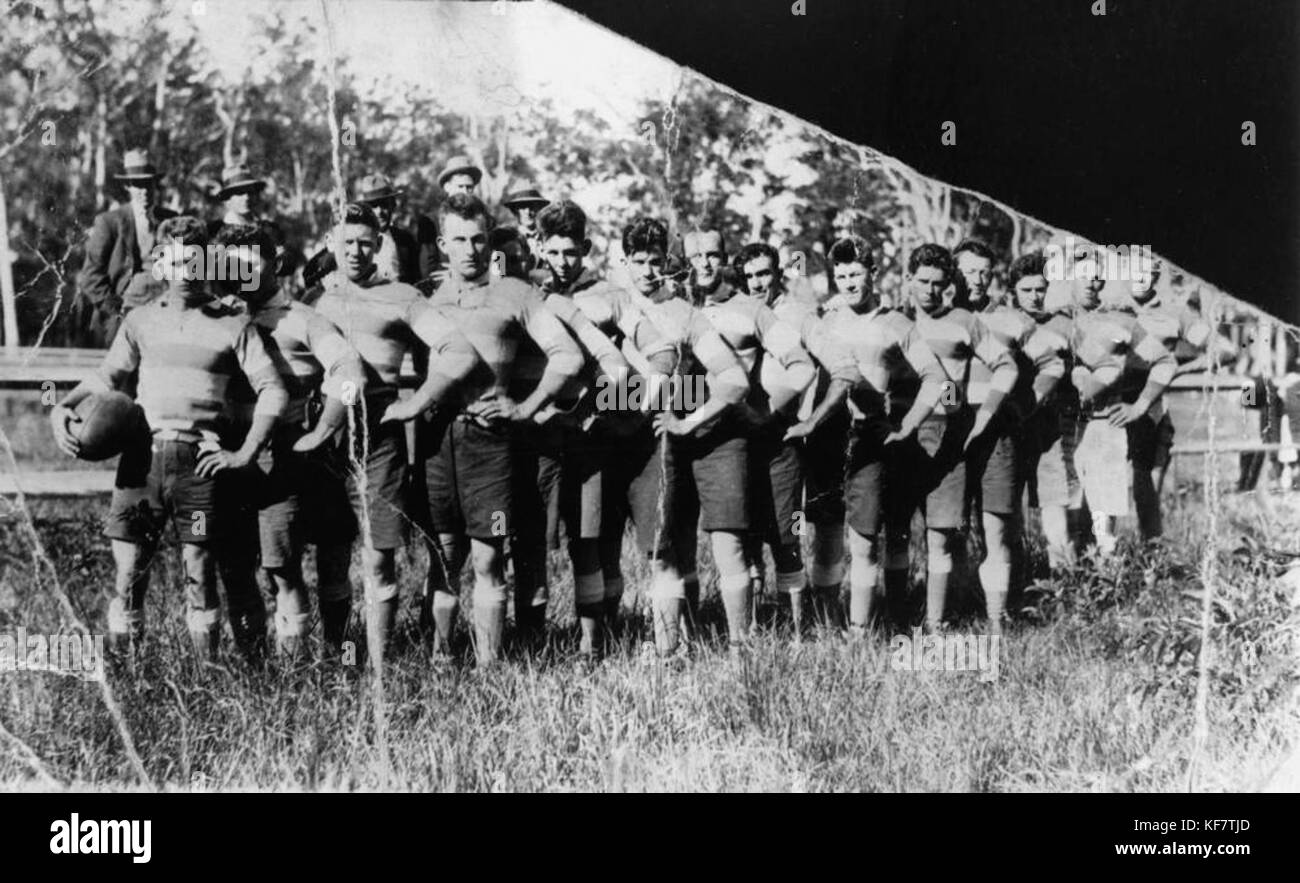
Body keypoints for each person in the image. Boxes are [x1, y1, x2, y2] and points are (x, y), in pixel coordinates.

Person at [51, 216, 289, 660]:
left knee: (198, 568)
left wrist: (243, 453)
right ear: (159, 264)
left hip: (197, 464)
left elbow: (273, 388)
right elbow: (108, 375)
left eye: (192, 260)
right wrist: (64, 406)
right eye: (173, 261)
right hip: (142, 461)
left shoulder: (232, 322)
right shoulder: (140, 320)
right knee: (129, 572)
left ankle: (206, 680)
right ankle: (127, 675)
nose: (184, 271)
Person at [314, 203, 483, 672]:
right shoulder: (317, 299)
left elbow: (457, 348)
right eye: (347, 241)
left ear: (379, 244)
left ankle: (379, 665)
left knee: (378, 558)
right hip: (327, 436)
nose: (356, 250)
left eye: (366, 242)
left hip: (379, 436)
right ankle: (338, 657)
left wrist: (416, 401)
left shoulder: (402, 296)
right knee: (331, 556)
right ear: (331, 242)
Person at [421, 194, 585, 666]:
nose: (469, 249)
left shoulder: (515, 292)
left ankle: (490, 665)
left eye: (478, 239)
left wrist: (525, 406)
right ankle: (440, 659)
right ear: (441, 244)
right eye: (458, 240)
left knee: (489, 554)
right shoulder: (426, 295)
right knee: (443, 553)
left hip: (489, 440)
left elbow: (567, 356)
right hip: (436, 438)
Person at [210, 223, 368, 659]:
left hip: (300, 455)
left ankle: (336, 656)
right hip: (240, 457)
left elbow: (351, 371)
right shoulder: (219, 319)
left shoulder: (302, 319)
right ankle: (272, 666)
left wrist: (326, 428)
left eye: (251, 260)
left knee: (315, 562)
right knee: (257, 565)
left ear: (274, 263)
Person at [526, 199, 675, 654]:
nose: (562, 262)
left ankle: (594, 648)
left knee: (590, 542)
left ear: (586, 248)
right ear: (538, 247)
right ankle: (530, 645)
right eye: (553, 252)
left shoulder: (609, 295)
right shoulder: (522, 289)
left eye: (571, 252)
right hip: (538, 437)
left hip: (591, 438)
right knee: (532, 543)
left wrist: (632, 405)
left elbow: (662, 351)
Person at [619, 219, 754, 656]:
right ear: (624, 263)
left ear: (666, 263)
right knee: (654, 549)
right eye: (637, 262)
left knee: (685, 547)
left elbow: (734, 381)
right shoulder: (609, 304)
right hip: (623, 439)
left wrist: (685, 419)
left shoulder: (684, 313)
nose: (646, 271)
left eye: (655, 262)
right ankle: (664, 647)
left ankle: (708, 650)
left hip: (673, 439)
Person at [821, 236, 947, 634]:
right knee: (823, 534)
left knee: (866, 539)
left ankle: (866, 631)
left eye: (856, 273)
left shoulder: (896, 322)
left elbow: (937, 378)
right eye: (841, 276)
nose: (849, 283)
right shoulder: (827, 318)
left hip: (873, 437)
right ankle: (823, 626)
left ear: (873, 273)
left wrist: (907, 425)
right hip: (828, 437)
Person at [903, 244, 1019, 633]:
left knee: (946, 534)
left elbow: (1005, 366)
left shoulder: (964, 320)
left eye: (939, 283)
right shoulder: (897, 322)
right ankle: (904, 616)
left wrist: (981, 416)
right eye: (923, 282)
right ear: (908, 281)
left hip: (950, 432)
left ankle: (959, 624)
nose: (931, 291)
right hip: (902, 434)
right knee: (902, 533)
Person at [715, 239, 820, 628]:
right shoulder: (735, 315)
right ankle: (756, 625)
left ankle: (796, 630)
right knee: (746, 538)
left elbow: (824, 368)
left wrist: (808, 419)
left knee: (788, 537)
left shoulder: (798, 315)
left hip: (784, 441)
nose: (758, 282)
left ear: (777, 272)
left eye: (764, 273)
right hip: (742, 442)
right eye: (749, 276)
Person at [968, 251, 1066, 631]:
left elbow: (1053, 363)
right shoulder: (939, 316)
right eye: (966, 271)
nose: (974, 279)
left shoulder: (1012, 319)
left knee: (1000, 526)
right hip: (952, 436)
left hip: (999, 434)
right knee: (951, 530)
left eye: (982, 272)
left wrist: (1022, 408)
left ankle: (999, 615)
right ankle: (957, 605)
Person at [76, 149, 177, 345]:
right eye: (137, 185)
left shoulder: (172, 219)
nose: (145, 191)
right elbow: (90, 277)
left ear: (156, 185)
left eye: (148, 184)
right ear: (127, 187)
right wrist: (116, 310)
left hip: (165, 310)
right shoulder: (110, 222)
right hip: (123, 311)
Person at [354, 173, 421, 284]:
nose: (379, 212)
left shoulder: (405, 240)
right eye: (373, 206)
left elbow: (416, 277)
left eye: (384, 205)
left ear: (393, 205)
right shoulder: (356, 242)